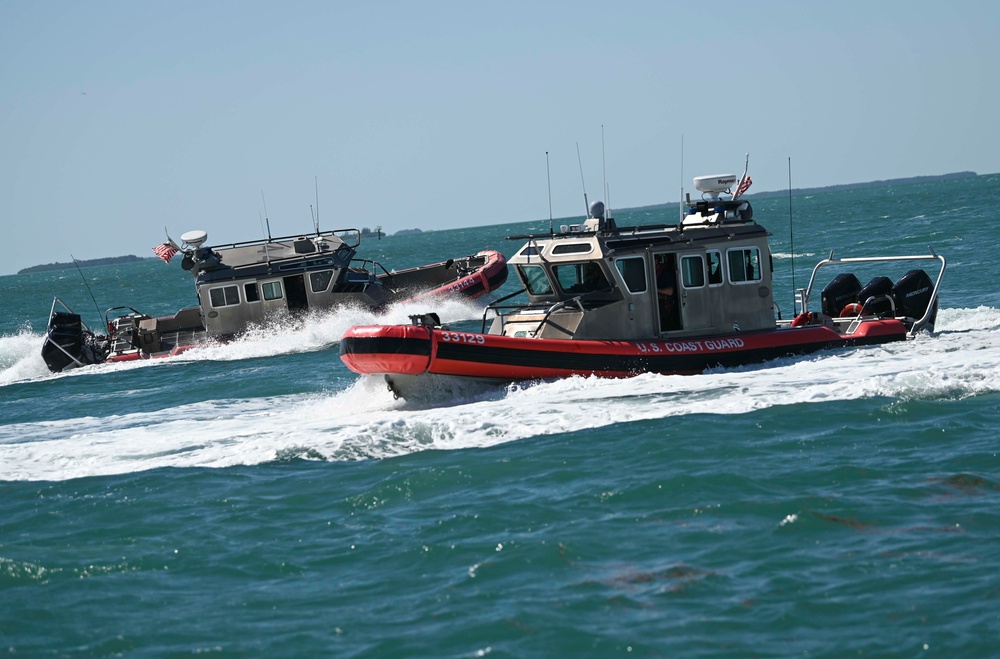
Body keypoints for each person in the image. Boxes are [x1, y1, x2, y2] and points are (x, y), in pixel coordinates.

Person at [655, 256, 680, 330]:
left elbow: (670, 291)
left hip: (666, 306)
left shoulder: (666, 273)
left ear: (656, 261)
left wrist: (655, 290)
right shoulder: (654, 273)